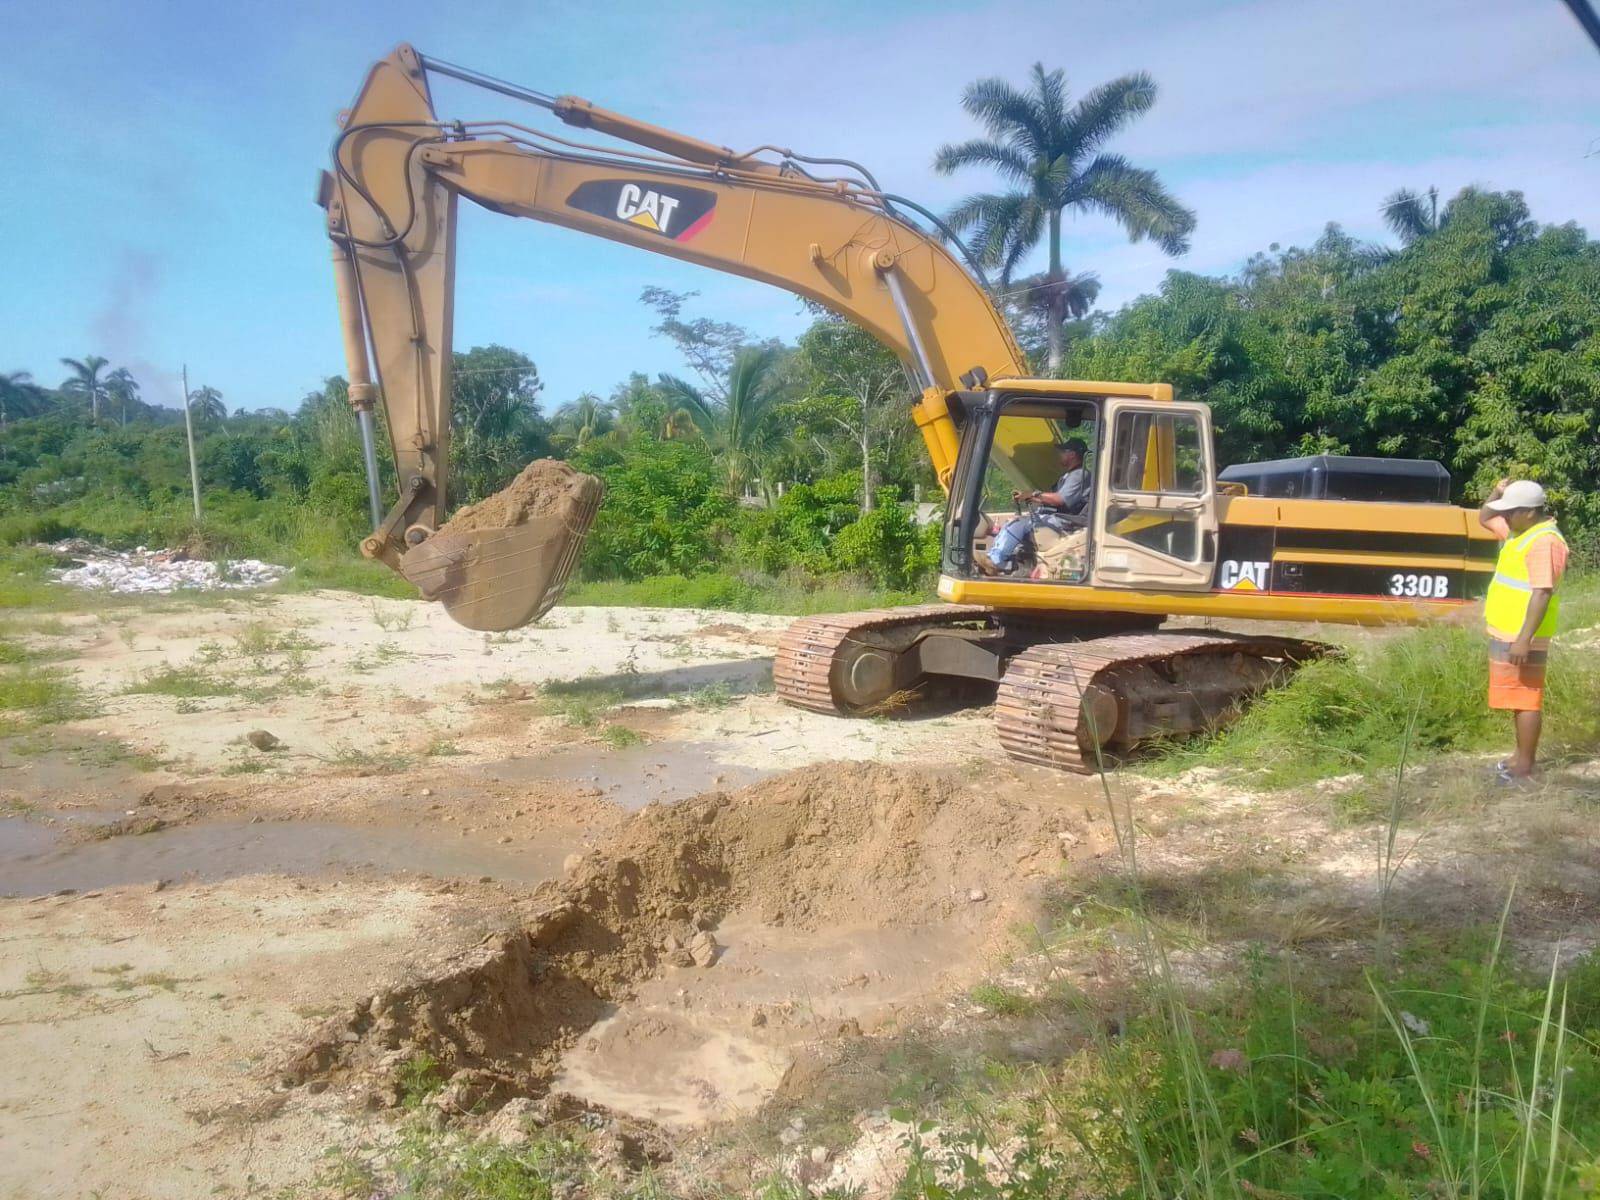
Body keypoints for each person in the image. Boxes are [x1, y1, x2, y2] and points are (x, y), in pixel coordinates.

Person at [1478, 478, 1568, 783]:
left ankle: (1525, 765)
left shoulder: (1544, 541)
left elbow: (1541, 593)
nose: (1505, 517)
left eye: (1511, 511)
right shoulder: (1520, 533)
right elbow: (1486, 517)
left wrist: (1523, 640)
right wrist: (1498, 494)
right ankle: (1519, 756)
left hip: (1522, 636)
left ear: (1528, 512)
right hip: (1509, 631)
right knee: (1516, 699)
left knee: (1526, 699)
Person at [977, 438, 1090, 576]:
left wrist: (1034, 494)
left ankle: (995, 562)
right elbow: (1053, 499)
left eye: (1062, 452)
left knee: (1018, 525)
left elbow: (1059, 500)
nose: (1059, 455)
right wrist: (1028, 496)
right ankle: (998, 558)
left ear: (1072, 454)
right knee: (1014, 523)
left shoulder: (1079, 475)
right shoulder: (1071, 475)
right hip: (1061, 517)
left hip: (1067, 520)